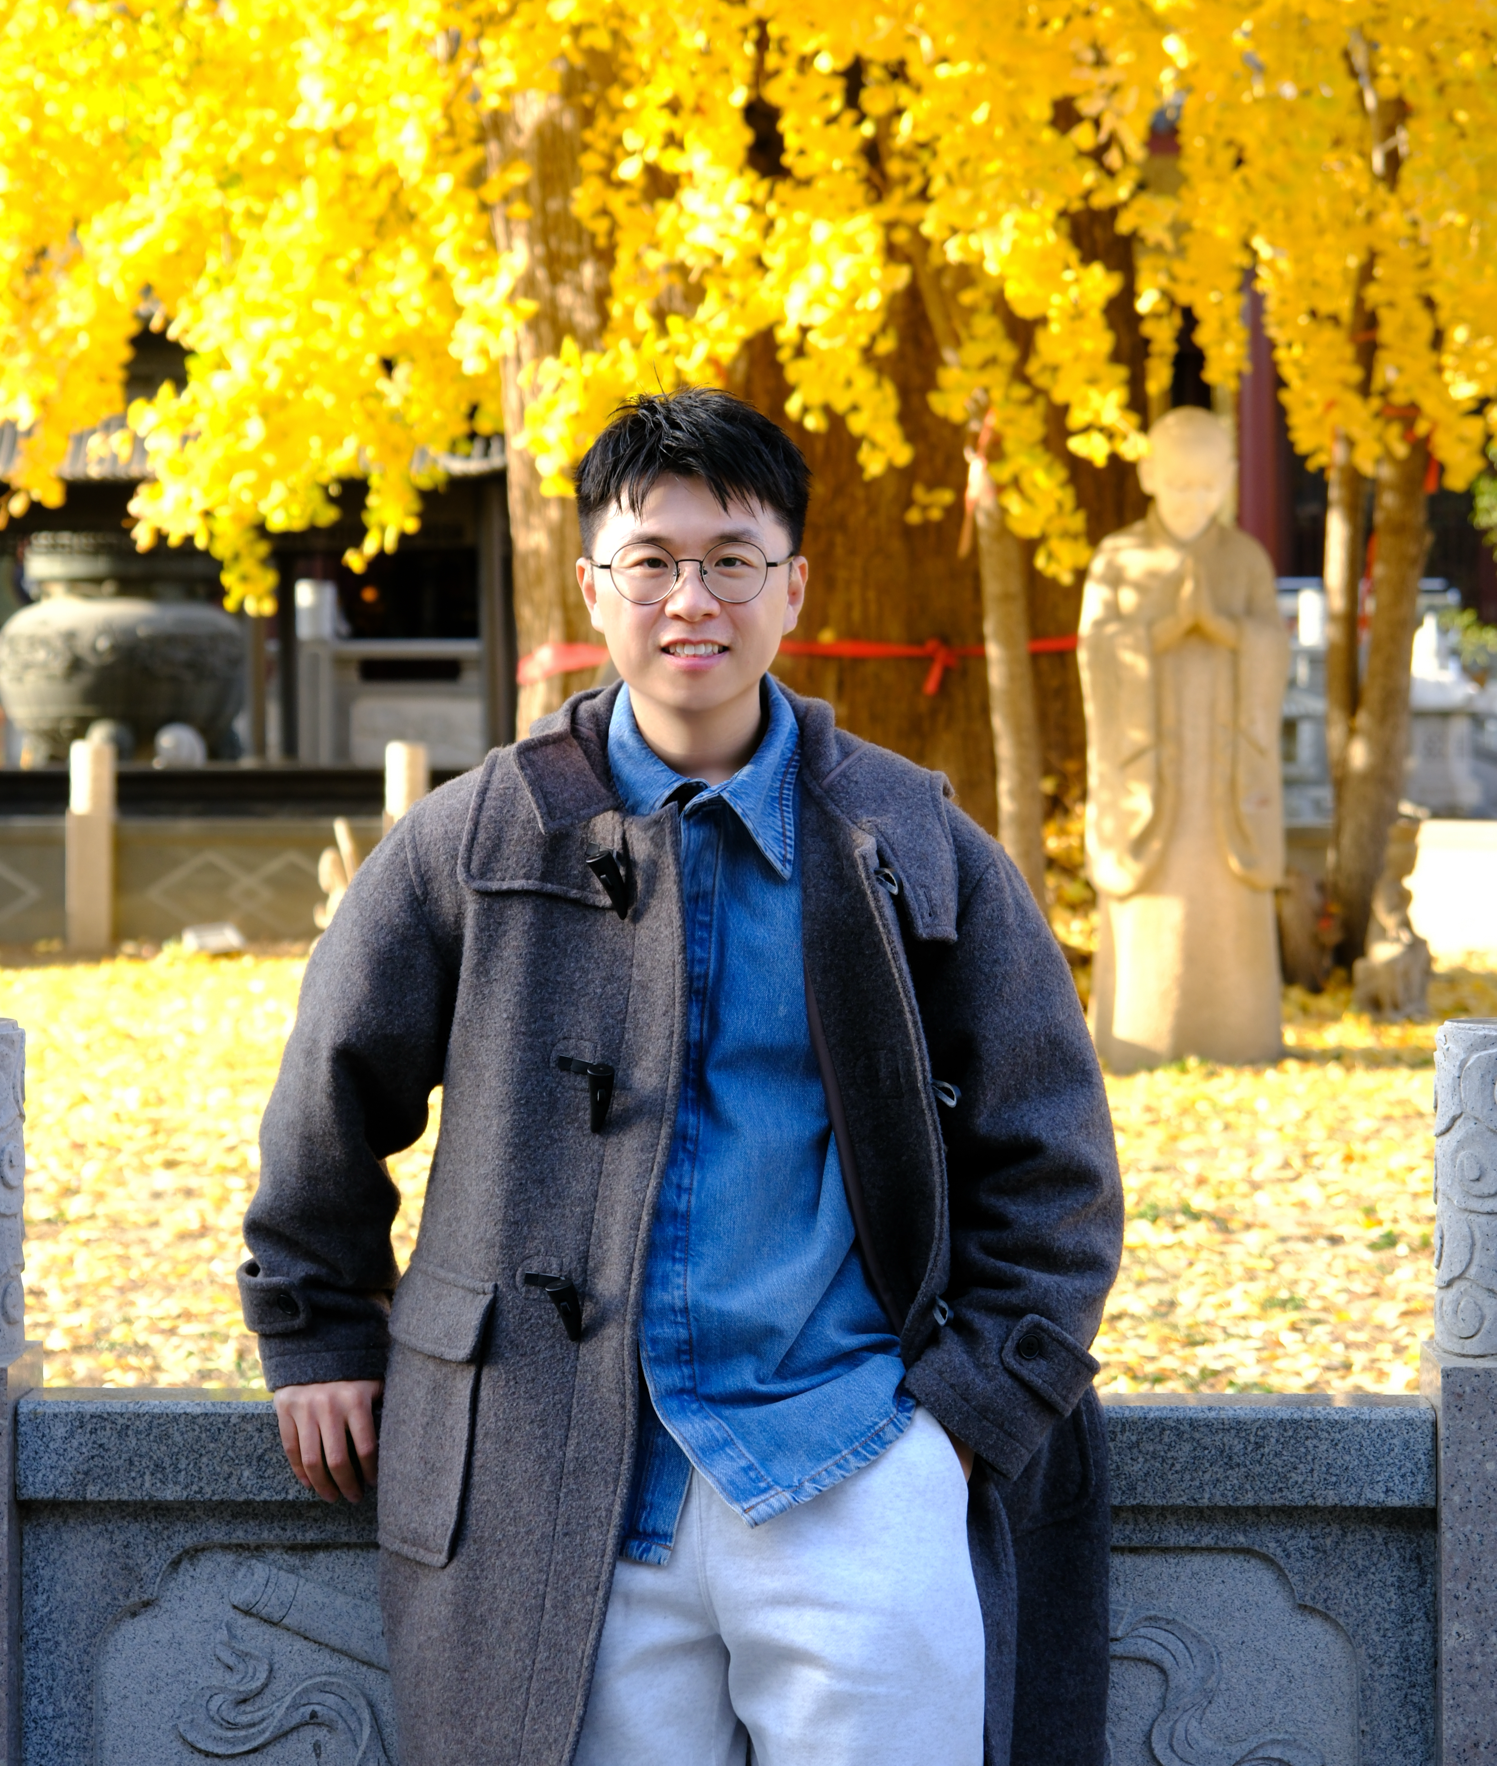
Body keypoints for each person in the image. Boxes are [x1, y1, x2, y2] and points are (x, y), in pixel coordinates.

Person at [241, 388, 1123, 1766]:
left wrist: (963, 1423)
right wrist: (317, 1334)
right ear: (594, 584)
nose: (690, 598)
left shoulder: (910, 838)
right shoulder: (478, 836)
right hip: (549, 1479)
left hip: (855, 1458)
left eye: (731, 559)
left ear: (794, 588)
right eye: (650, 560)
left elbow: (1054, 1157)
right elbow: (328, 1097)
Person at [1079, 404, 1289, 1070]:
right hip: (1149, 772)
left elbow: (1273, 648)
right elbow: (1095, 650)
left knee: (1228, 901)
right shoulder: (1118, 559)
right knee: (1151, 905)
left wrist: (1226, 630)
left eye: (1207, 485)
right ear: (1148, 475)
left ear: (1229, 477)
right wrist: (1164, 630)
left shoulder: (1246, 559)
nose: (1194, 499)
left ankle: (1241, 1034)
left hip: (1227, 773)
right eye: (1179, 484)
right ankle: (1139, 1036)